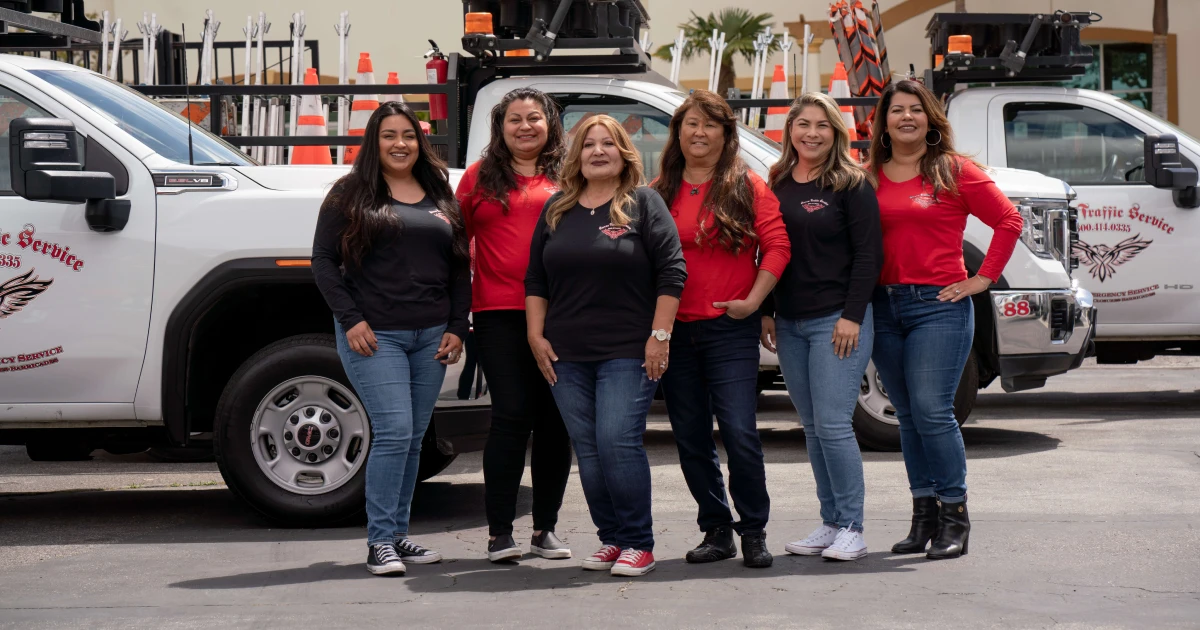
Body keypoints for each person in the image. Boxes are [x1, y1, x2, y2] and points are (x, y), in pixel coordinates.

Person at [312, 102, 471, 576]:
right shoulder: (350, 193)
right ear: (373, 142)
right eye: (388, 135)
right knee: (395, 431)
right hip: (375, 335)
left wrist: (457, 325)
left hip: (432, 337)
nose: (399, 144)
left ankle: (398, 537)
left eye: (408, 135)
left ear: (420, 142)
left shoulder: (439, 191)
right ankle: (378, 540)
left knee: (413, 438)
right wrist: (351, 319)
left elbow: (459, 264)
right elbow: (322, 261)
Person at [525, 114, 687, 578]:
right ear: (577, 156)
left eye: (608, 144)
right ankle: (612, 538)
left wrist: (659, 337)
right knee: (589, 447)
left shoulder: (643, 203)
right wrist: (536, 335)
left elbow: (672, 273)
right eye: (589, 144)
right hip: (565, 354)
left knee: (616, 441)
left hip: (627, 351)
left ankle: (639, 542)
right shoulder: (556, 207)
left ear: (623, 153)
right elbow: (536, 278)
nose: (598, 151)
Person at [867, 80, 1022, 560]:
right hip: (883, 307)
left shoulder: (953, 170)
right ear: (883, 121)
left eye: (916, 109)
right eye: (897, 110)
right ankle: (923, 516)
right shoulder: (866, 175)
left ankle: (955, 515)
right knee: (909, 417)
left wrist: (983, 278)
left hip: (938, 306)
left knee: (934, 413)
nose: (906, 117)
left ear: (930, 119)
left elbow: (1009, 220)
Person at [651, 91, 789, 569]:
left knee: (739, 432)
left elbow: (777, 247)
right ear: (678, 132)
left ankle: (753, 530)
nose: (699, 133)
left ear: (726, 134)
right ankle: (716, 529)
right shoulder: (657, 191)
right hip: (676, 332)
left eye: (710, 125)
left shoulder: (747, 184)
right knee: (690, 437)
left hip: (730, 328)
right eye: (690, 123)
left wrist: (754, 301)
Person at [761, 92, 882, 561]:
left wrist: (853, 314)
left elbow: (869, 255)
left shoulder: (851, 183)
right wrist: (769, 308)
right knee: (811, 427)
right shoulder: (777, 182)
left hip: (837, 318)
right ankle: (831, 522)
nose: (811, 133)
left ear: (837, 132)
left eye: (822, 125)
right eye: (803, 124)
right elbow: (771, 249)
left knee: (833, 425)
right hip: (790, 322)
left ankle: (853, 525)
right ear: (790, 129)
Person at [455, 88, 574, 563]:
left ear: (550, 124)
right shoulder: (478, 178)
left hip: (562, 314)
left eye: (535, 118)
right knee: (510, 416)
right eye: (515, 120)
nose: (525, 127)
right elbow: (452, 241)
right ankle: (499, 533)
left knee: (554, 422)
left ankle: (545, 529)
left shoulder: (570, 175)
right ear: (500, 128)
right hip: (498, 312)